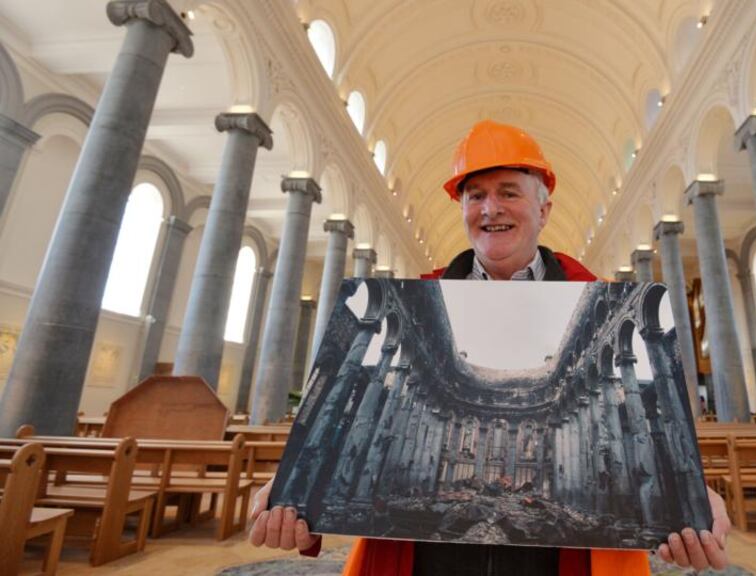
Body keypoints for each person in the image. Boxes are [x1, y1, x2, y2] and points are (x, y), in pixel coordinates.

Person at [249, 120, 731, 575]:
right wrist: (298, 485)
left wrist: (686, 492)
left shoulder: (600, 297)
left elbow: (635, 410)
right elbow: (358, 406)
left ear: (543, 209)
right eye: (475, 195)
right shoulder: (422, 295)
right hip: (427, 558)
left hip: (562, 561)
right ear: (461, 209)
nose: (489, 208)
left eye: (508, 193)